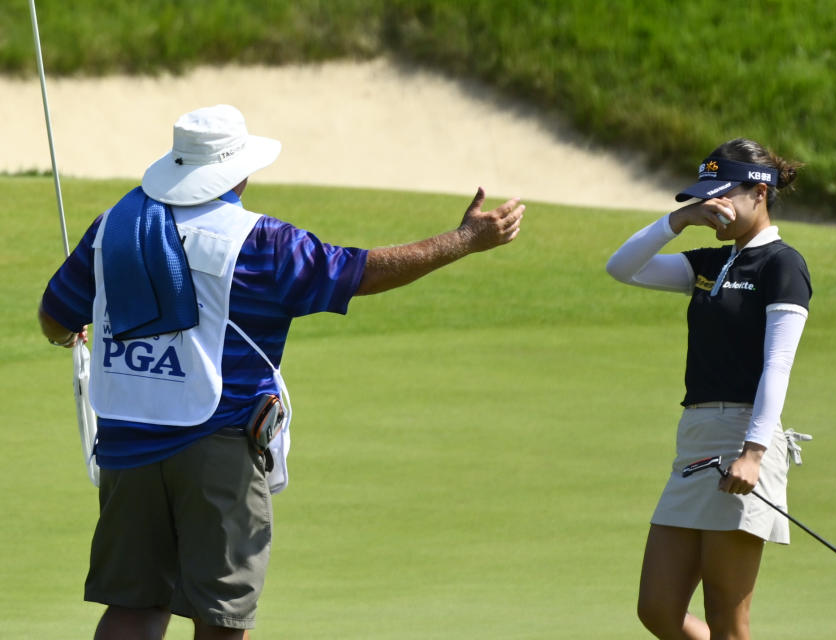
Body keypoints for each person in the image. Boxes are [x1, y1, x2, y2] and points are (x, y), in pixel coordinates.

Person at [38, 104, 524, 640]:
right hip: (217, 446)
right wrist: (464, 240)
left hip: (125, 445)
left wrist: (70, 336)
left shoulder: (112, 226)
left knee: (132, 609)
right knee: (221, 619)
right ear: (239, 173)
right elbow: (359, 272)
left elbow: (54, 317)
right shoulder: (263, 242)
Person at [606, 138, 812, 639]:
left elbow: (777, 365)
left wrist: (755, 451)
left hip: (744, 441)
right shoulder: (709, 264)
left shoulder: (783, 265)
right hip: (694, 443)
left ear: (758, 193)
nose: (712, 208)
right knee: (656, 608)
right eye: (706, 197)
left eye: (722, 196)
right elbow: (622, 267)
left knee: (727, 616)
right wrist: (678, 221)